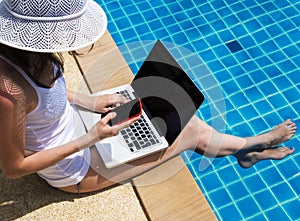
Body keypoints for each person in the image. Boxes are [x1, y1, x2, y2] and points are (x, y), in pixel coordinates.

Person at [0, 0, 297, 194]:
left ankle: (246, 151)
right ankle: (251, 146)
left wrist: (89, 102)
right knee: (189, 130)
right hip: (74, 169)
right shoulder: (8, 92)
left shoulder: (29, 55)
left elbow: (46, 93)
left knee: (174, 111)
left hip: (78, 126)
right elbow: (14, 169)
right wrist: (91, 138)